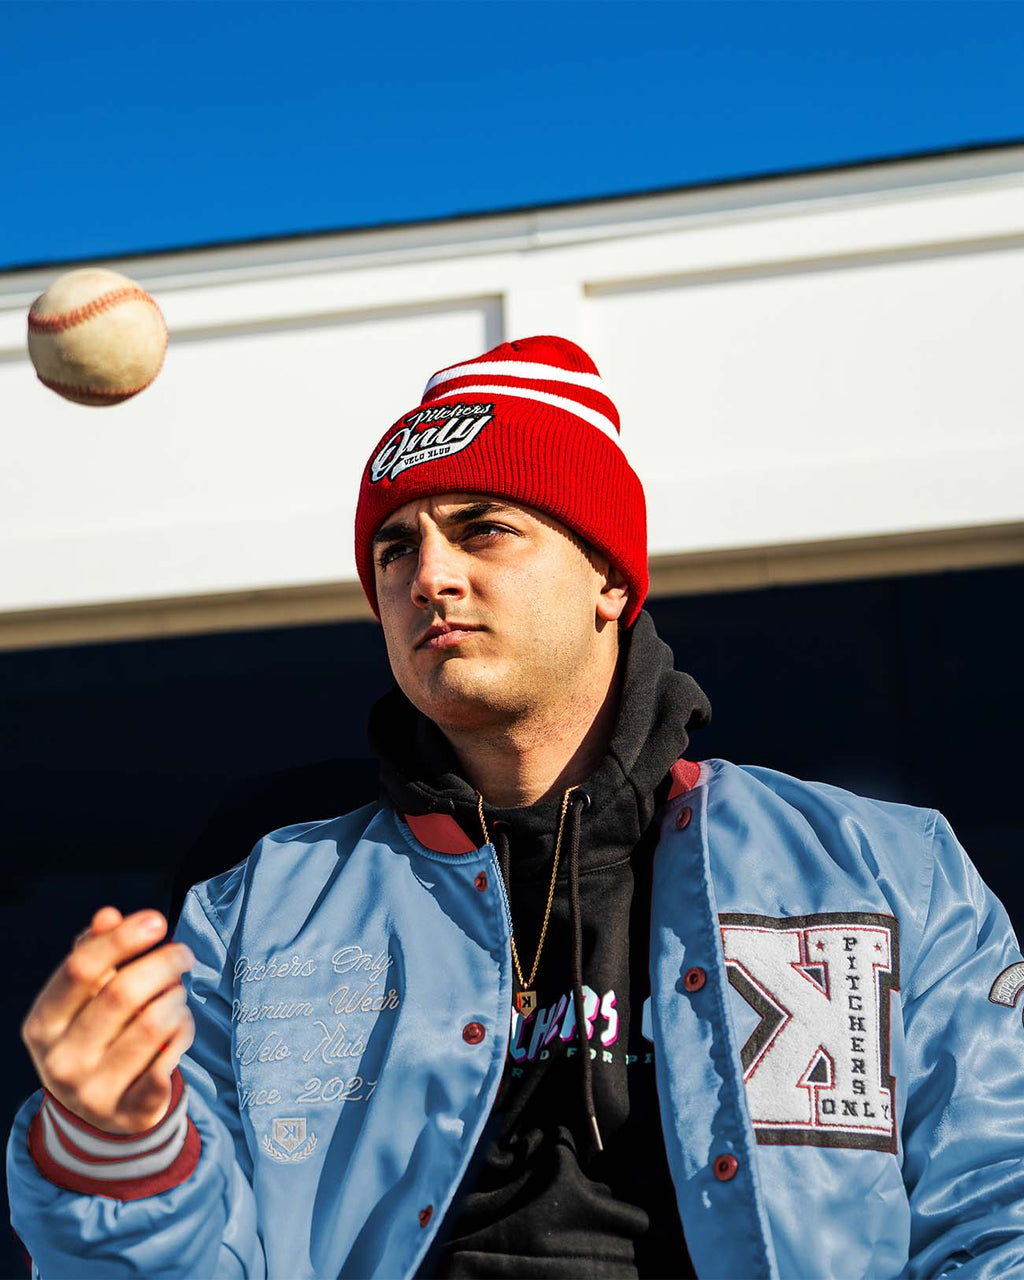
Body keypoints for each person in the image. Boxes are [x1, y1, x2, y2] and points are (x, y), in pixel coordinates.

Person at [9, 335, 1024, 1279]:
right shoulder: (257, 908)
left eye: (483, 528)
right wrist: (115, 1144)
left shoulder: (881, 866)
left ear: (609, 579)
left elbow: (998, 1206)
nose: (427, 576)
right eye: (394, 549)